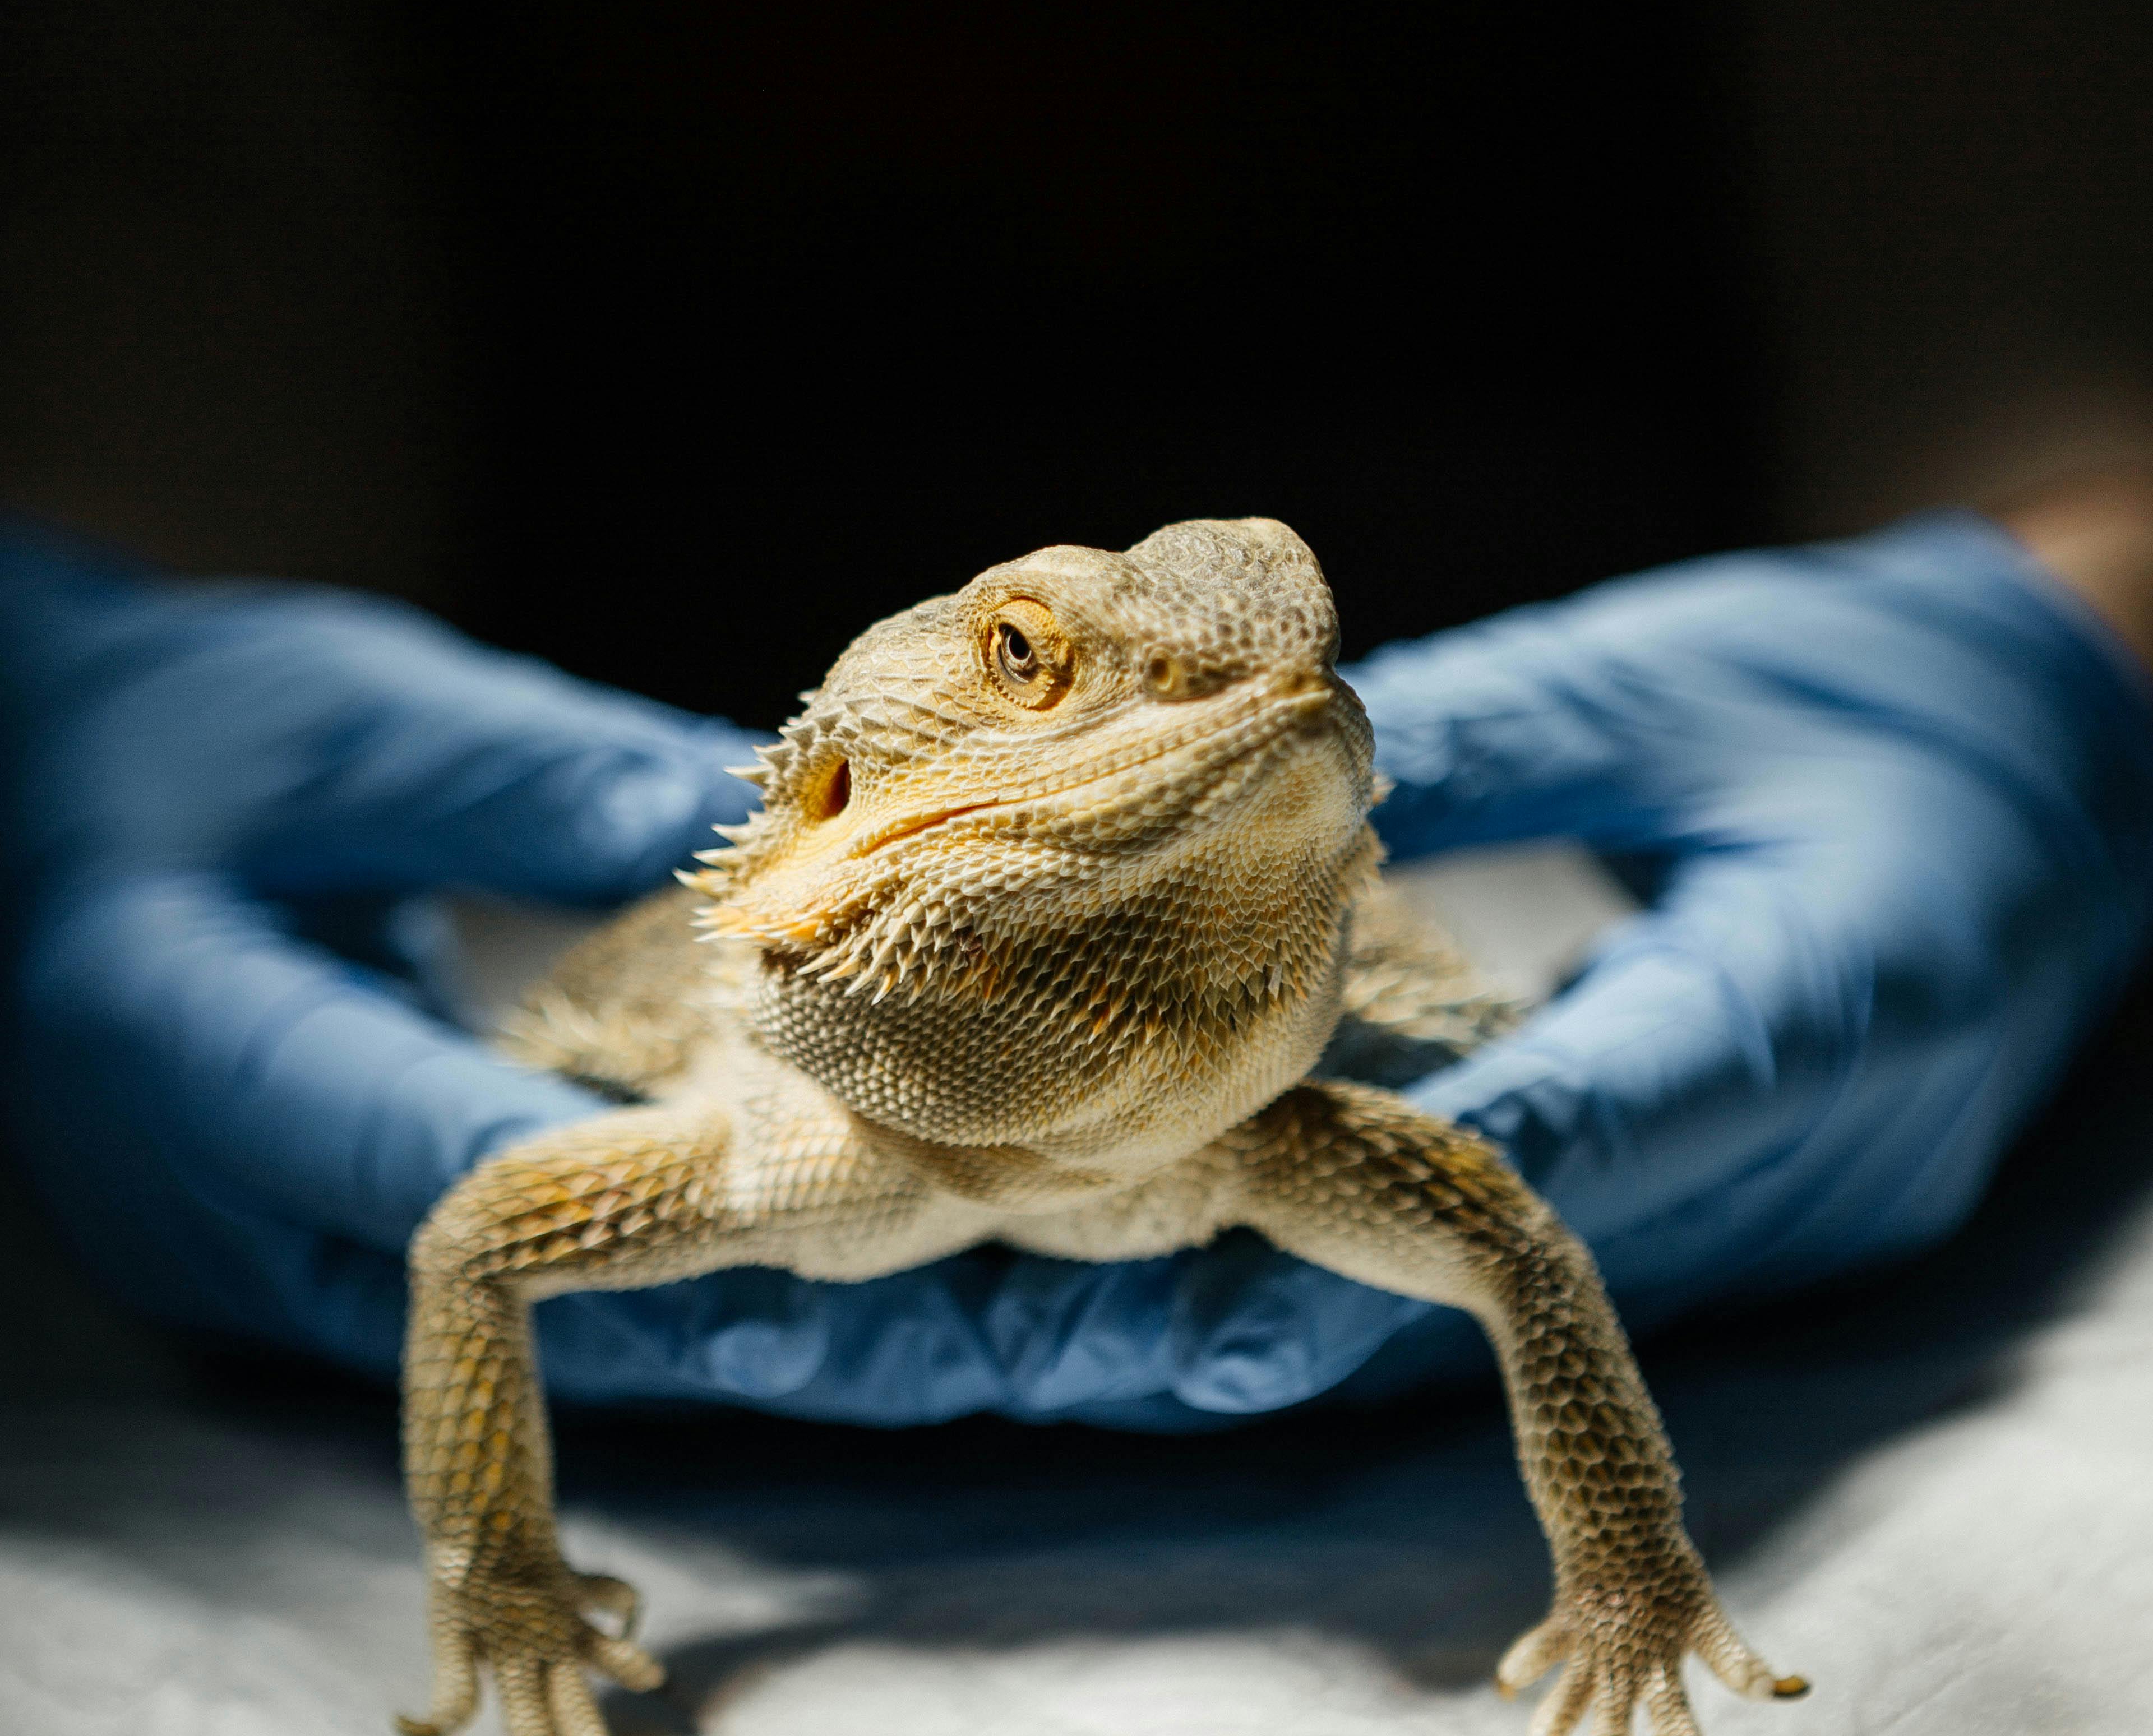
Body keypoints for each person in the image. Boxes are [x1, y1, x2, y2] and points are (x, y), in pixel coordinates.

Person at [4, 469, 2151, 1433]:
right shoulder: (770, 1133)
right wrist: (47, 696)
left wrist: (2063, 642)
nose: (1255, 721)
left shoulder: (1301, 1102)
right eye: (1046, 666)